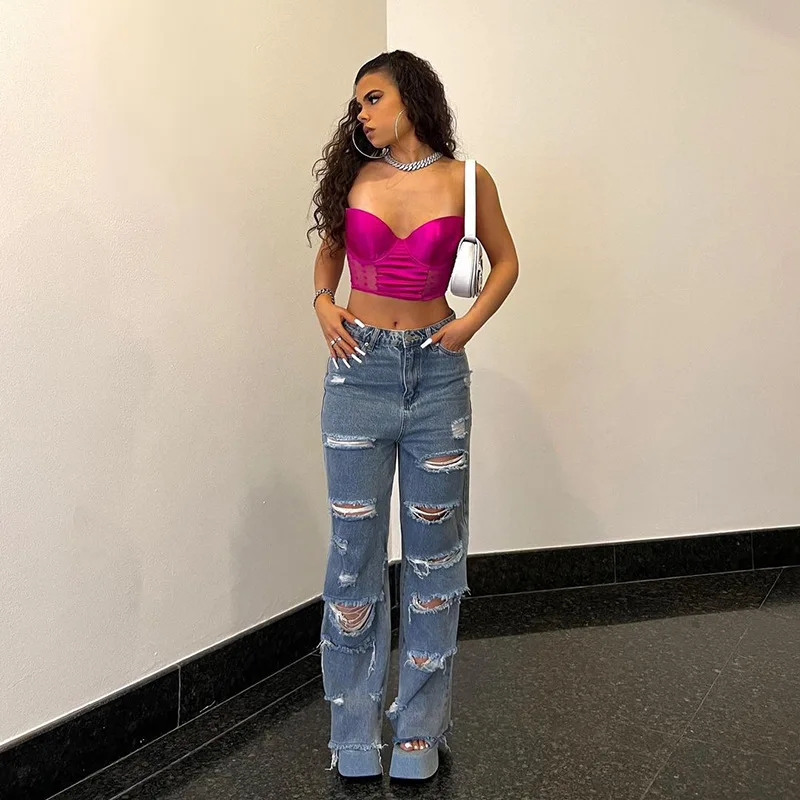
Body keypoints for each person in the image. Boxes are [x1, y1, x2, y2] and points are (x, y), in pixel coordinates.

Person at [306, 50, 518, 780]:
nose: (361, 113)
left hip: (435, 376)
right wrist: (323, 302)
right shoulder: (355, 177)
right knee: (353, 556)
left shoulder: (467, 180)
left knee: (434, 558)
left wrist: (465, 327)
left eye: (373, 98)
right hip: (357, 373)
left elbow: (507, 261)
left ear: (410, 98)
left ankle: (419, 731)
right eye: (357, 103)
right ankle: (354, 731)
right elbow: (329, 256)